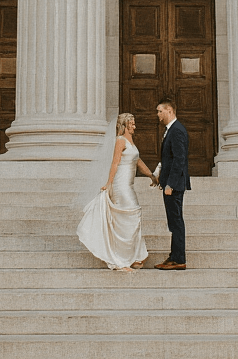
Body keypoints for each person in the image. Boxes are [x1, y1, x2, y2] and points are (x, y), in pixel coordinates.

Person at [76, 113, 157, 271]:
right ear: (125, 125)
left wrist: (151, 176)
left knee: (133, 217)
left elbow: (138, 161)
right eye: (132, 124)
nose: (135, 127)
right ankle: (121, 259)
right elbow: (115, 162)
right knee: (130, 216)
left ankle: (132, 256)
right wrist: (109, 183)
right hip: (121, 186)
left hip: (129, 185)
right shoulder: (120, 140)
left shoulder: (130, 141)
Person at [152, 97, 190, 270]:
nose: (158, 114)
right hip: (169, 182)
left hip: (174, 185)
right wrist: (159, 174)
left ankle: (179, 259)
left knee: (176, 221)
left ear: (170, 110)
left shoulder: (177, 130)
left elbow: (179, 159)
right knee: (173, 222)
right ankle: (174, 256)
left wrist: (171, 184)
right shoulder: (171, 130)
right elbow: (168, 157)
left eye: (160, 111)